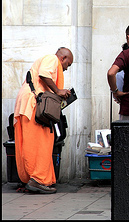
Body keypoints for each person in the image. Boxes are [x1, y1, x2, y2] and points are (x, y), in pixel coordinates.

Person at [13, 47, 74, 194]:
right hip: (33, 104)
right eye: (68, 65)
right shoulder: (52, 59)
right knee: (40, 142)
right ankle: (37, 179)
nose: (66, 69)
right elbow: (44, 74)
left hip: (27, 103)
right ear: (63, 58)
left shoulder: (47, 60)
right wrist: (58, 91)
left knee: (29, 143)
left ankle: (29, 178)